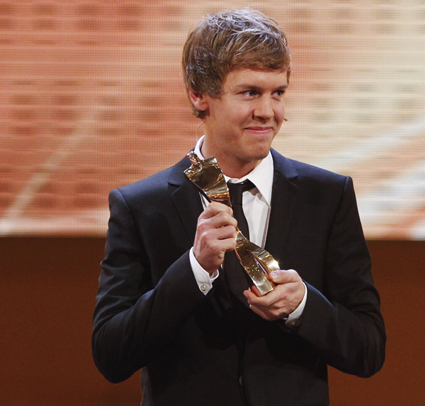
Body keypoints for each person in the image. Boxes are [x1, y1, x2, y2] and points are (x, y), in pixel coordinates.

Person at [92, 8, 386, 406]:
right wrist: (194, 268)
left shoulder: (327, 196)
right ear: (199, 95)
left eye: (277, 92)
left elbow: (368, 348)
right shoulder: (142, 206)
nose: (268, 111)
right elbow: (111, 355)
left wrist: (303, 305)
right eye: (250, 93)